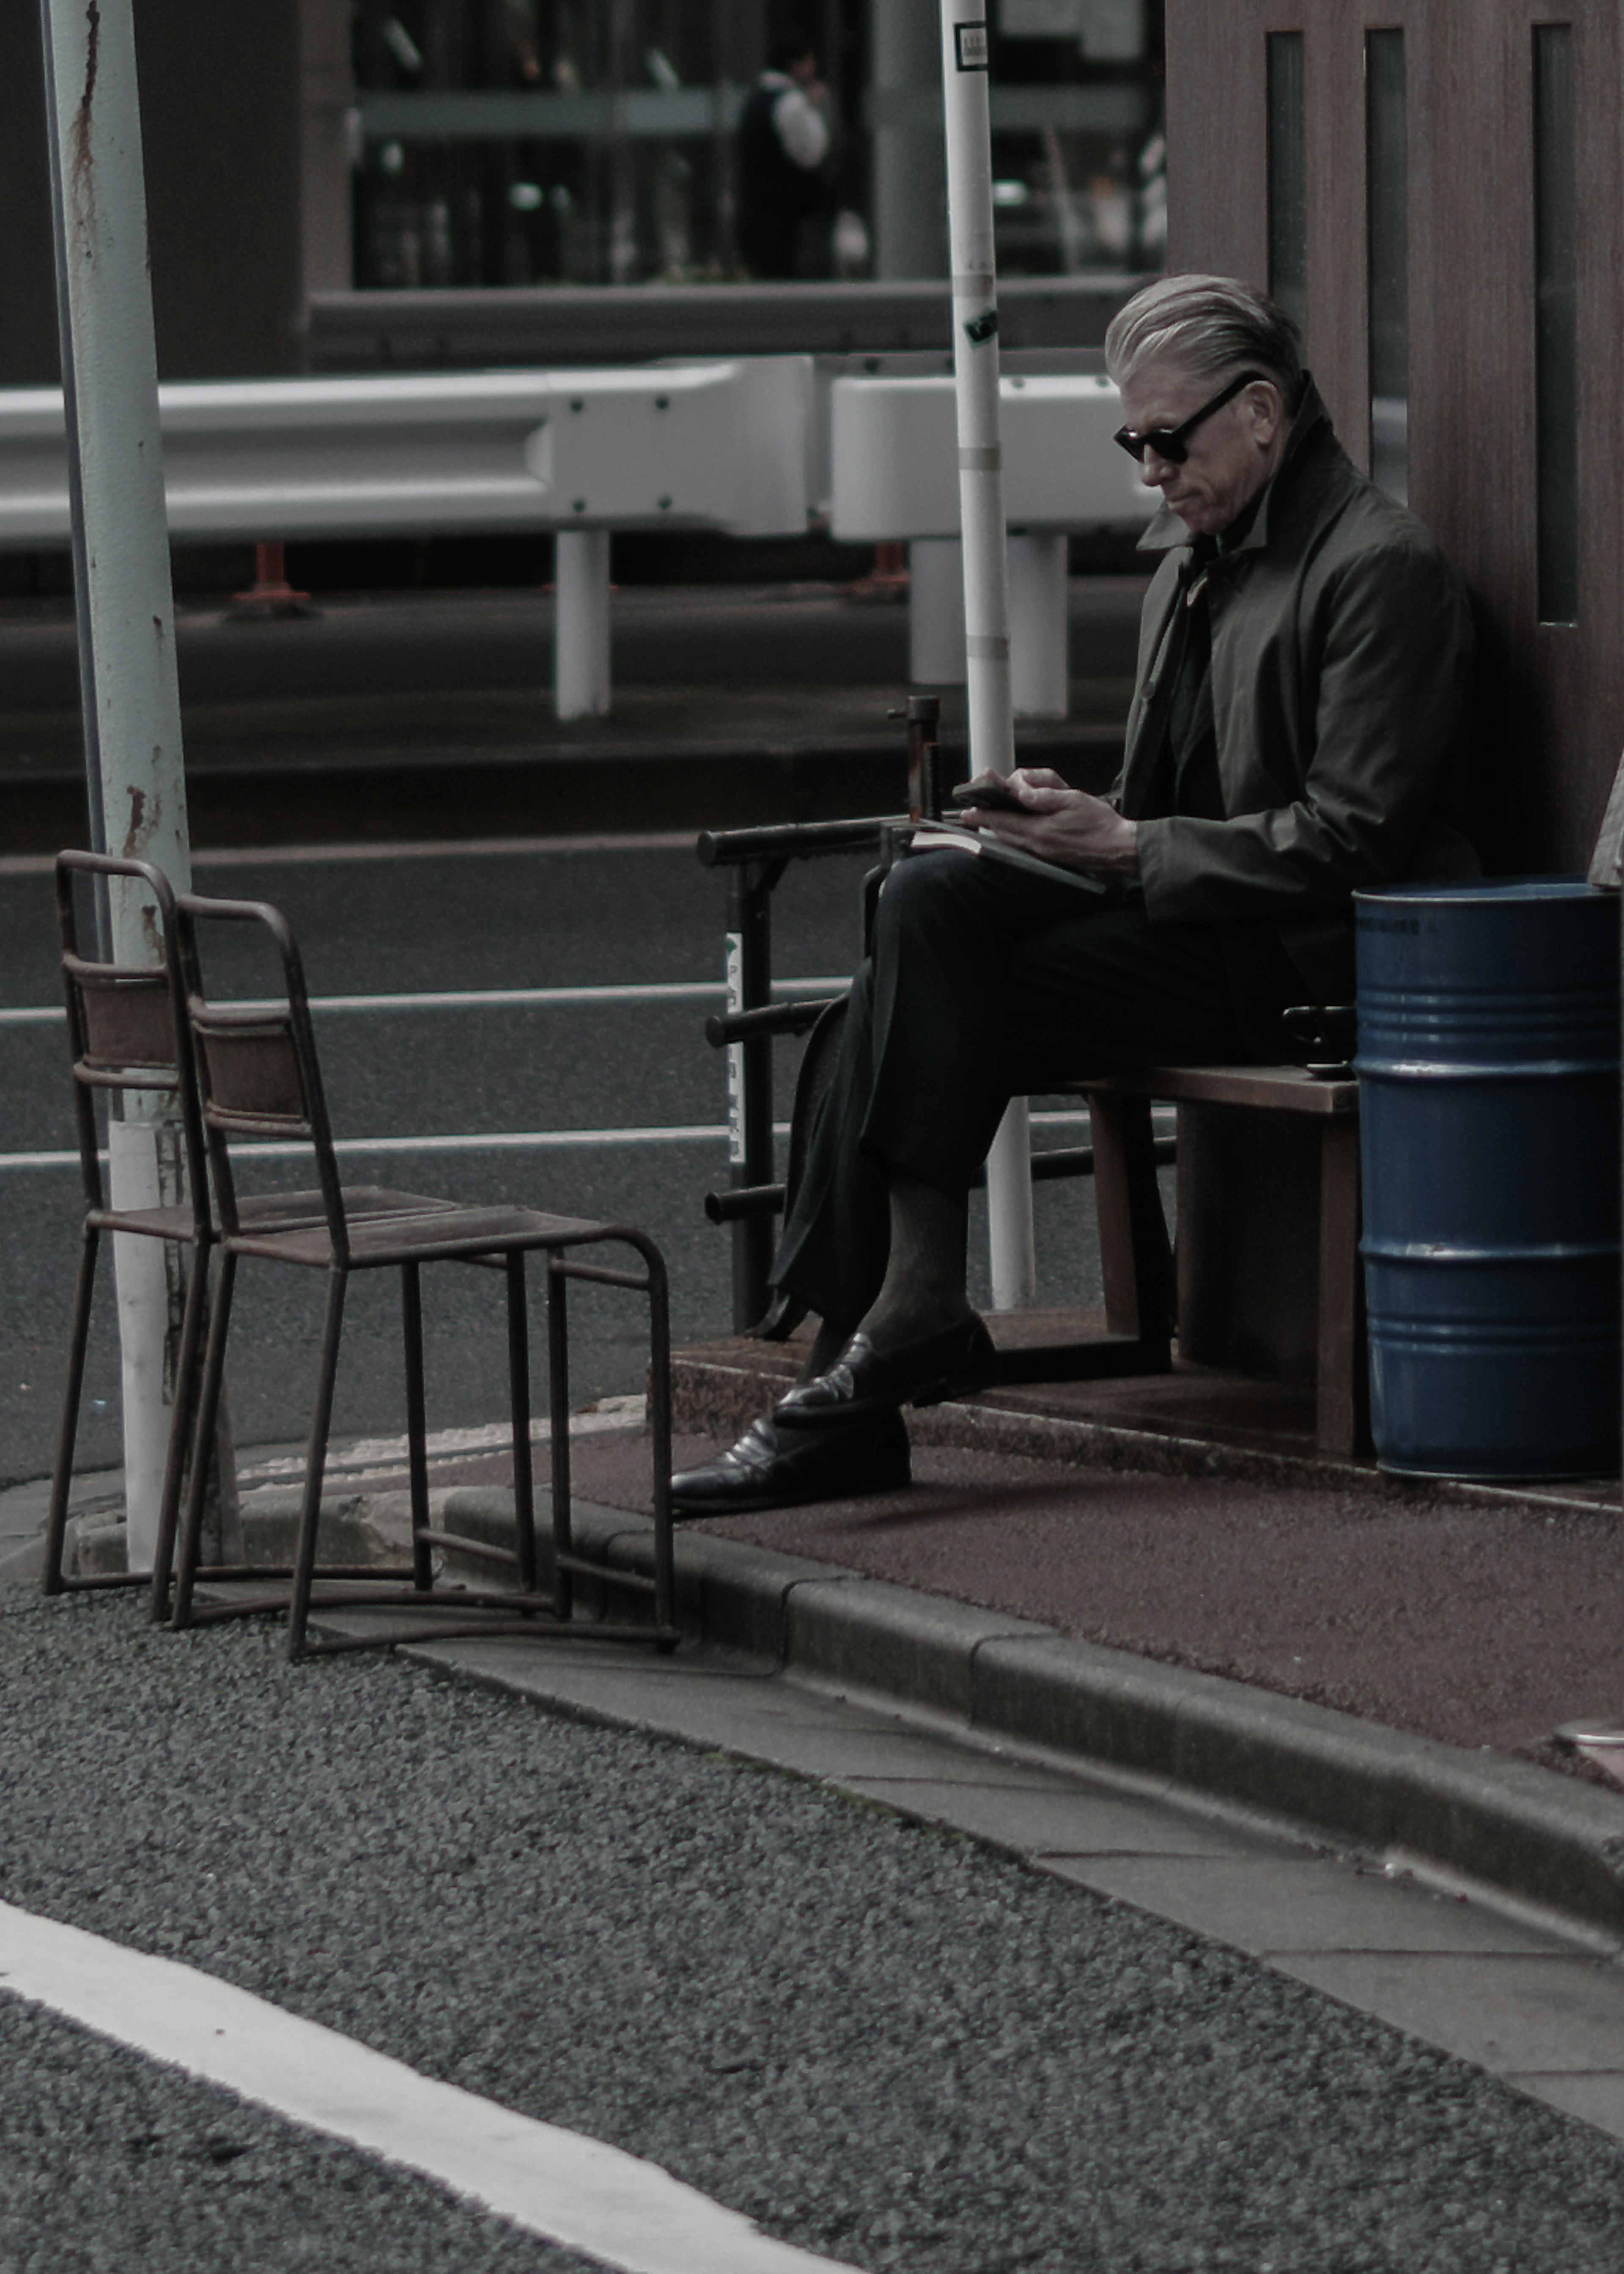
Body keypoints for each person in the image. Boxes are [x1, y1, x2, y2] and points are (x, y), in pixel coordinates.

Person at [673, 273, 1476, 1514]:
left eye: (1167, 439)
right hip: (1193, 925)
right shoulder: (1191, 563)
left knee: (891, 994)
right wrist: (1067, 819)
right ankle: (906, 1318)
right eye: (1129, 442)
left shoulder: (1378, 570)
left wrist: (1124, 845)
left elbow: (1352, 838)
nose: (1147, 471)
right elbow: (1155, 801)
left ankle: (870, 1349)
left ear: (1259, 412)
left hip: (1300, 965)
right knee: (921, 904)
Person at [735, 36, 831, 281]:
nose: (813, 68)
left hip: (756, 209)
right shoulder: (791, 102)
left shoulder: (756, 100)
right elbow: (812, 152)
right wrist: (812, 110)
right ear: (794, 66)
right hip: (784, 212)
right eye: (809, 62)